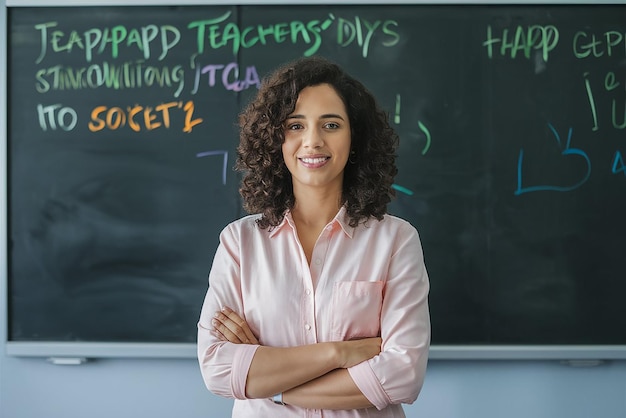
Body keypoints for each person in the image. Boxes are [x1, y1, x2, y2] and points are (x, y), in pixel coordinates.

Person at [197, 56, 430, 417]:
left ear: (355, 138)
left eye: (331, 124)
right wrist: (339, 353)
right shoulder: (239, 243)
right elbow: (217, 370)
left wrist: (269, 383)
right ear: (276, 140)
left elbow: (402, 376)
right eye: (295, 125)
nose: (313, 141)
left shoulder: (396, 241)